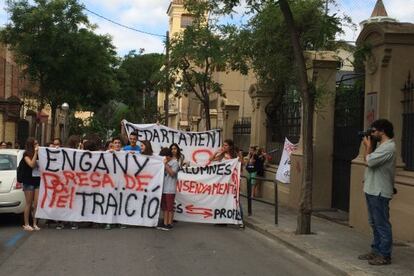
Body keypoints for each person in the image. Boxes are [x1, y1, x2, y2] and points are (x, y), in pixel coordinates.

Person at [358, 119, 396, 266]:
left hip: (379, 192)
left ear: (382, 131)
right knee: (374, 223)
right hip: (372, 189)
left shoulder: (389, 148)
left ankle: (385, 255)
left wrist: (367, 147)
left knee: (381, 224)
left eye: (374, 131)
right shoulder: (381, 146)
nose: (371, 134)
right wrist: (371, 146)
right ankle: (376, 250)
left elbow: (369, 162)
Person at [21, 138, 41, 231]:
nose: (37, 145)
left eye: (37, 143)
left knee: (36, 204)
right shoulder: (26, 154)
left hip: (37, 180)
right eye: (35, 144)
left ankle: (34, 223)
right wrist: (36, 153)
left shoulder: (39, 154)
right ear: (31, 145)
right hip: (28, 181)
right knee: (29, 203)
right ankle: (26, 224)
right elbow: (32, 164)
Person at [157, 147, 179, 231]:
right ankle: (165, 222)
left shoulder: (175, 163)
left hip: (170, 189)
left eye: (164, 157)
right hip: (163, 189)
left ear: (167, 156)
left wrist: (165, 165)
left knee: (169, 207)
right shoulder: (163, 162)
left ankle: (169, 223)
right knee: (165, 207)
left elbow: (172, 173)